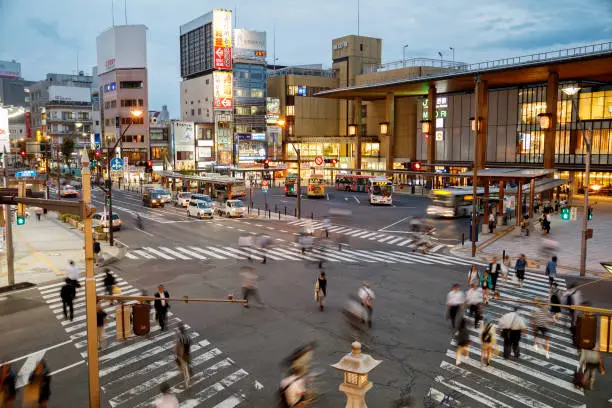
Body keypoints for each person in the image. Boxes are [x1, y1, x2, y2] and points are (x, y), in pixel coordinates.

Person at [175, 324, 192, 389]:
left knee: (184, 369)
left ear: (180, 330)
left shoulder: (180, 338)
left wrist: (178, 353)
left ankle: (187, 381)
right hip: (187, 354)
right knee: (186, 365)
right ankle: (186, 374)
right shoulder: (188, 337)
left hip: (182, 355)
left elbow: (179, 346)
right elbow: (189, 345)